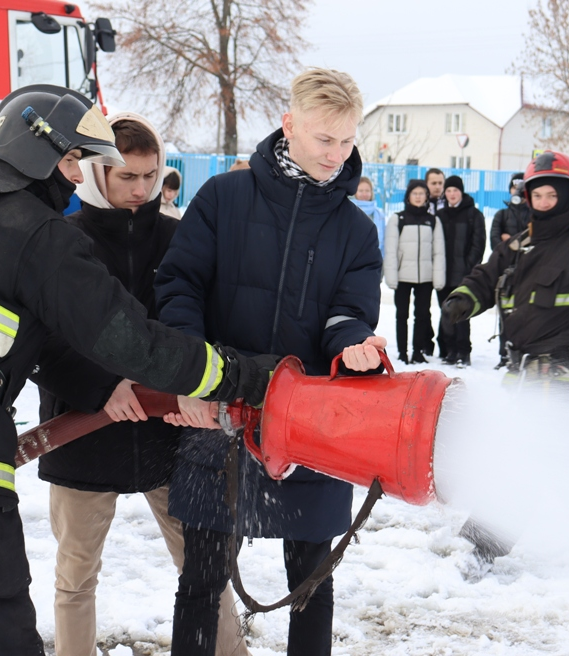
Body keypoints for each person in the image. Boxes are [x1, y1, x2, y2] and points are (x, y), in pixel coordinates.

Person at [0, 85, 274, 656]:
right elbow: (133, 342)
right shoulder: (40, 235)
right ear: (37, 151)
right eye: (72, 158)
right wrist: (239, 376)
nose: (77, 176)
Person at [154, 68, 385, 656]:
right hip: (220, 416)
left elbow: (347, 314)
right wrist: (189, 370)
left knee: (310, 583)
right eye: (323, 139)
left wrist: (354, 344)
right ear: (289, 126)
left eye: (346, 141)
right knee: (202, 580)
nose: (337, 155)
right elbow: (180, 285)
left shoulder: (356, 231)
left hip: (310, 422)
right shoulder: (224, 198)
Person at [36, 113, 249, 656]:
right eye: (126, 176)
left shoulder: (178, 239)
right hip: (80, 427)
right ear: (93, 173)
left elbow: (199, 323)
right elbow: (41, 338)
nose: (140, 189)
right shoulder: (62, 240)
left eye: (150, 176)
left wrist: (187, 388)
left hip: (171, 430)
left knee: (204, 569)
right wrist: (101, 385)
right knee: (75, 576)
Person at [441, 151, 569, 566]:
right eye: (538, 195)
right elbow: (488, 274)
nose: (545, 202)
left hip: (565, 376)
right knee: (557, 457)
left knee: (527, 453)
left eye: (552, 195)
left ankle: (484, 546)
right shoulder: (522, 243)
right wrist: (464, 299)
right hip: (525, 377)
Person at [384, 179, 445, 363]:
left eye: (422, 194)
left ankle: (417, 351)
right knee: (402, 315)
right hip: (403, 276)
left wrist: (438, 278)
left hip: (425, 277)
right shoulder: (398, 219)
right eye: (415, 193)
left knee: (422, 315)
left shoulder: (433, 220)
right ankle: (403, 352)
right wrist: (392, 276)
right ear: (408, 196)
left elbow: (438, 251)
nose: (418, 197)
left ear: (426, 197)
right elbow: (391, 250)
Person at [436, 175, 486, 366]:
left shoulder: (474, 214)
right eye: (448, 191)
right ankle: (450, 351)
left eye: (455, 190)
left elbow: (478, 244)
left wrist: (469, 267)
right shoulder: (440, 216)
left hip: (464, 275)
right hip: (443, 274)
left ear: (461, 191)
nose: (452, 194)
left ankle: (464, 352)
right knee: (446, 313)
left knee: (462, 314)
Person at [489, 173, 529, 250]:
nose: (518, 192)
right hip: (506, 261)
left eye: (522, 189)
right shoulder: (501, 215)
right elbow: (494, 243)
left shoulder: (534, 215)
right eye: (515, 188)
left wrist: (510, 241)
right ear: (510, 190)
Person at [352, 176, 387, 256]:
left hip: (373, 260)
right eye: (361, 191)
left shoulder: (379, 214)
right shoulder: (348, 211)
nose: (364, 194)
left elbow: (384, 241)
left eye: (367, 191)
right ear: (355, 192)